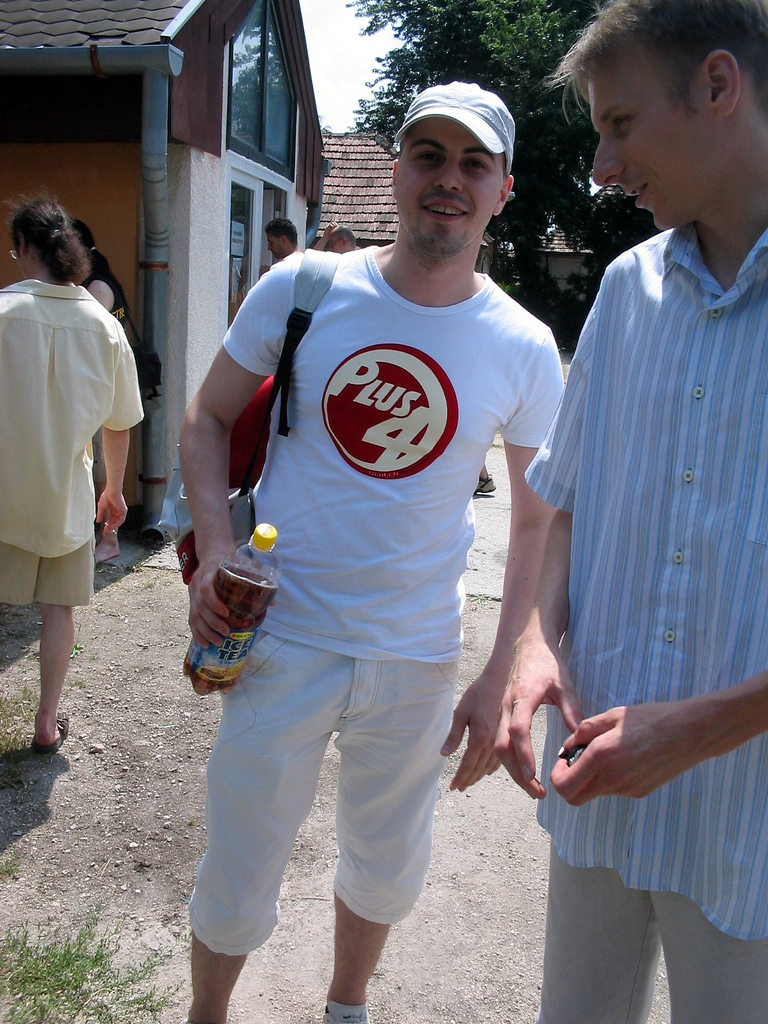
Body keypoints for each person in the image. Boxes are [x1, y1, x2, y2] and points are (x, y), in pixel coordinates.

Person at [179, 81, 563, 1024]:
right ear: (395, 170)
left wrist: (500, 670)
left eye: (474, 164)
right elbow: (205, 418)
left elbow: (536, 521)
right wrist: (215, 548)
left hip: (416, 653)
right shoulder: (305, 287)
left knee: (387, 863)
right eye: (429, 156)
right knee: (240, 860)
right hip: (281, 637)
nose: (448, 180)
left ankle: (345, 1006)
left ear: (503, 189)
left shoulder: (522, 345)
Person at [494, 2, 768, 1022]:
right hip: (600, 792)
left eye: (619, 124)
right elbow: (567, 502)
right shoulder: (624, 290)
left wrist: (695, 732)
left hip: (748, 827)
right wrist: (534, 642)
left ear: (717, 86)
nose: (602, 167)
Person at [0, 197, 143, 755]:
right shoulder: (104, 327)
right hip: (64, 496)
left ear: (24, 247)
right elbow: (120, 423)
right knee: (57, 609)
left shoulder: (2, 312)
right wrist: (114, 490)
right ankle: (45, 721)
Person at [72, 219, 132, 563]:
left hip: (102, 393)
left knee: (103, 473)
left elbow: (86, 342)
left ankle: (109, 540)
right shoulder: (102, 282)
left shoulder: (96, 288)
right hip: (105, 389)